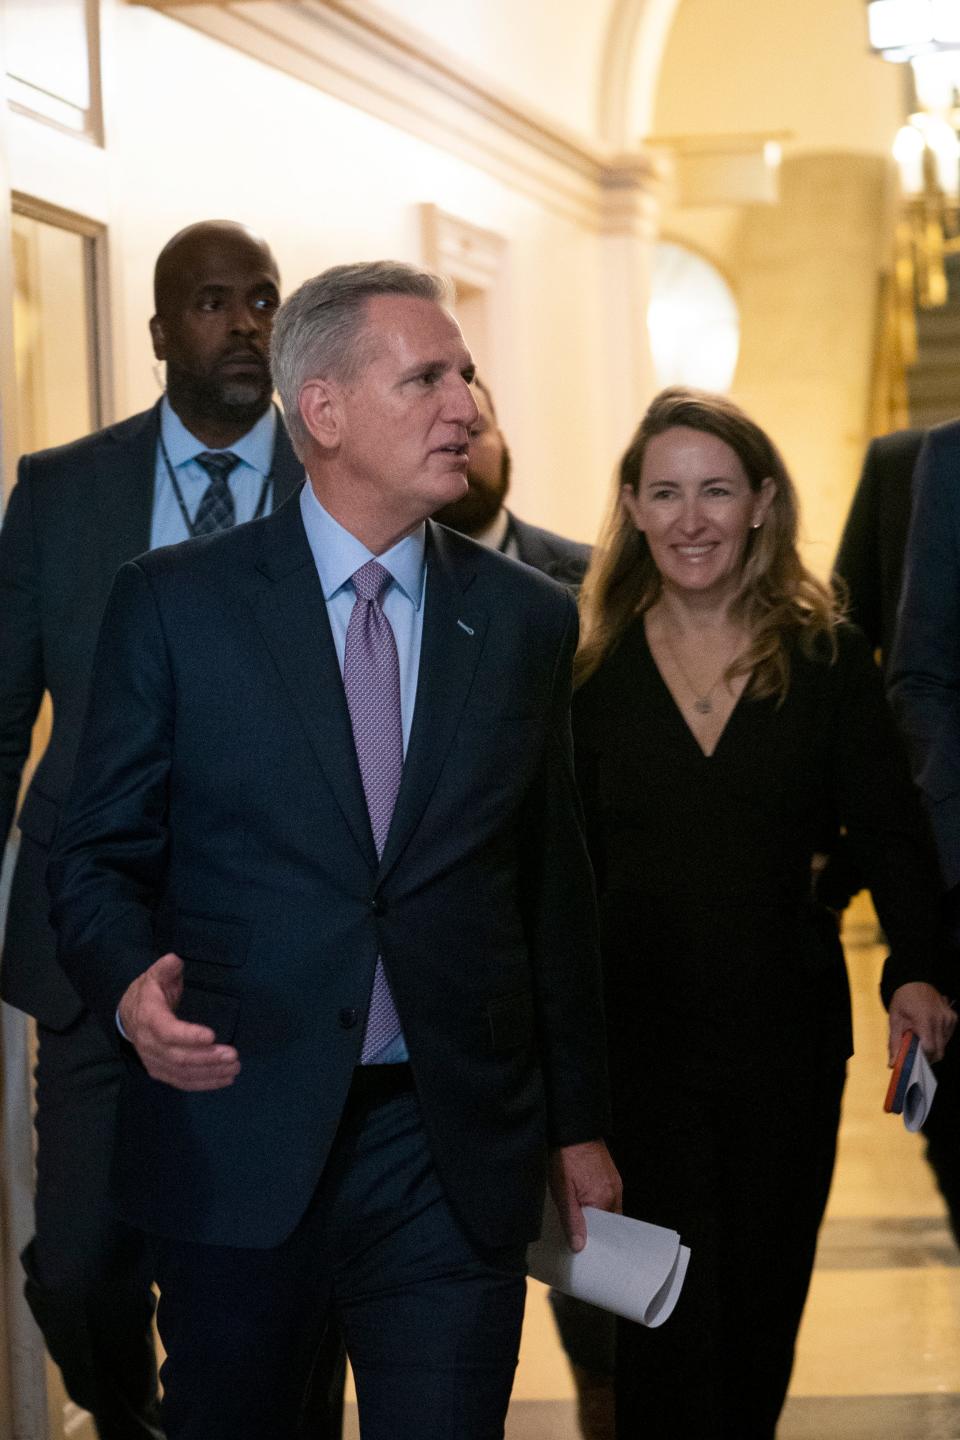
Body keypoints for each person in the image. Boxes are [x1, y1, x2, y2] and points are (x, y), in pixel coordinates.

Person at [46, 260, 621, 1440]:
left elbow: (551, 890)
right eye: (428, 377)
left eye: (464, 374)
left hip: (447, 1148)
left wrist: (578, 1125)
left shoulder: (522, 619)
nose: (466, 403)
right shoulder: (172, 602)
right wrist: (124, 986)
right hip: (237, 1131)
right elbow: (95, 851)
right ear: (324, 412)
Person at [573, 386, 955, 1439]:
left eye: (716, 491)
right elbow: (553, 880)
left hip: (783, 1049)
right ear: (634, 508)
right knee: (657, 1331)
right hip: (632, 1054)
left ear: (762, 504)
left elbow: (888, 829)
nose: (691, 519)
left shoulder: (825, 659)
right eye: (666, 493)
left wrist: (916, 966)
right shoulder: (586, 674)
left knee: (758, 1318)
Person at [0, 219, 305, 1440]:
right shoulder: (63, 493)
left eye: (265, 301)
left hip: (278, 953)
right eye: (213, 303)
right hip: (92, 938)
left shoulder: (335, 479)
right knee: (76, 1266)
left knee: (262, 1290)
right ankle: (127, 1419)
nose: (244, 325)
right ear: (159, 331)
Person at [436, 375, 610, 1439]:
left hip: (555, 957)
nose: (460, 424)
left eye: (478, 411)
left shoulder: (573, 592)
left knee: (589, 1267)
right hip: (438, 994)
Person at [434, 375, 591, 586]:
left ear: (501, 440)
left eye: (474, 432)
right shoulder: (380, 580)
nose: (460, 450)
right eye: (439, 437)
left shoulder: (592, 574)